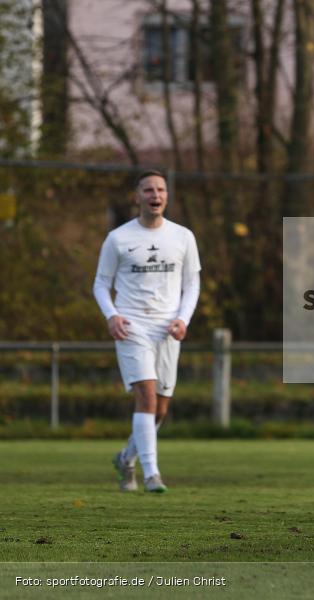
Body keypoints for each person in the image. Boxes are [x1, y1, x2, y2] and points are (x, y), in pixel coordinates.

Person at [93, 170, 201, 493]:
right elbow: (100, 284)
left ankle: (126, 458)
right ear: (136, 196)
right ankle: (152, 474)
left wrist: (184, 319)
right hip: (132, 325)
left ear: (167, 196)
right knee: (147, 396)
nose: (155, 195)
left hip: (168, 329)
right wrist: (112, 316)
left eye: (161, 189)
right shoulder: (118, 238)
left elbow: (192, 284)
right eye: (148, 190)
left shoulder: (183, 237)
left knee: (161, 408)